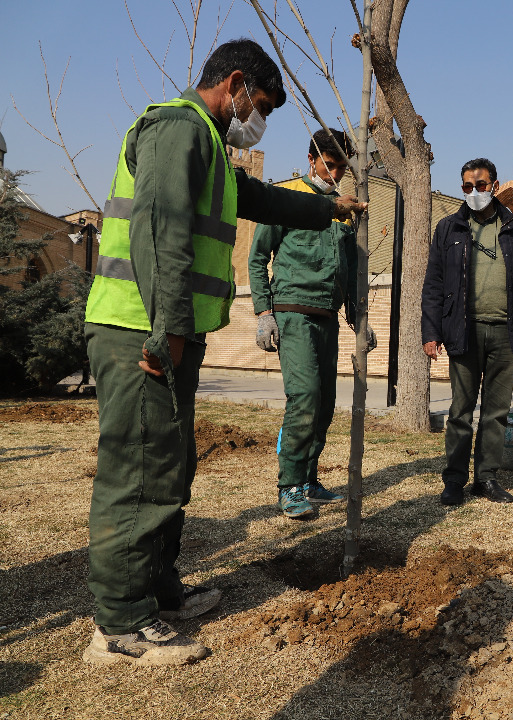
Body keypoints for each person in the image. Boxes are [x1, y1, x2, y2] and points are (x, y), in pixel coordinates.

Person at [81, 39, 366, 666]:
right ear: (233, 83)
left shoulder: (208, 144)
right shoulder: (176, 129)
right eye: (258, 104)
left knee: (170, 465)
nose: (255, 118)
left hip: (164, 334)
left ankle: (159, 594)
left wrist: (330, 208)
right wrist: (168, 332)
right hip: (139, 331)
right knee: (139, 469)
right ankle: (119, 626)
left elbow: (262, 200)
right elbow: (163, 231)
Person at [421, 158, 513, 507]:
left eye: (480, 185)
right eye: (466, 186)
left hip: (505, 333)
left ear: (494, 184)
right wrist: (431, 332)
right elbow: (432, 284)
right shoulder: (449, 228)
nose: (473, 192)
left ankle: (486, 478)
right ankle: (454, 481)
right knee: (460, 411)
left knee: (497, 411)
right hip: (462, 332)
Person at [249, 127, 358, 519]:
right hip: (293, 313)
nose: (335, 175)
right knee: (306, 397)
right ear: (312, 160)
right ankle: (289, 485)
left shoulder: (343, 208)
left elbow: (352, 267)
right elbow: (257, 257)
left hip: (327, 317)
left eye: (341, 168)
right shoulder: (288, 197)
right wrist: (264, 313)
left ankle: (309, 478)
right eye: (329, 166)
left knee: (325, 404)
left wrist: (359, 317)